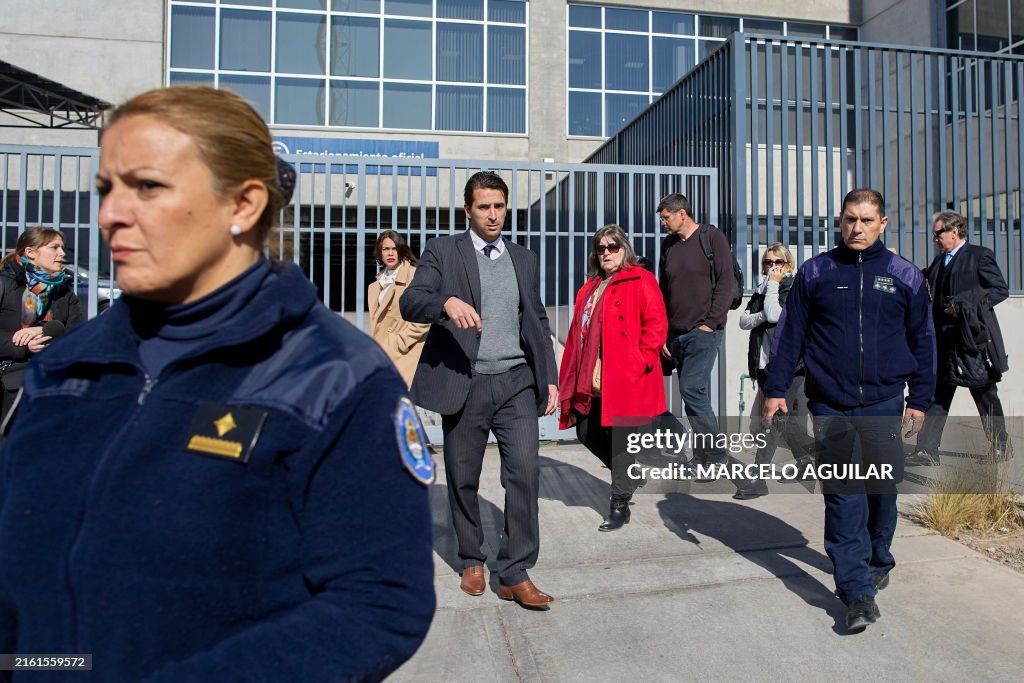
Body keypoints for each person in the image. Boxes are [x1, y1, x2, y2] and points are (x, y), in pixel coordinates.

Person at [0, 86, 434, 681]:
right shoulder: (66, 367)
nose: (110, 214)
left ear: (243, 204)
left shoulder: (335, 378)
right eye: (106, 189)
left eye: (147, 186)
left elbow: (380, 603)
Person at [764, 188, 935, 634]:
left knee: (881, 491)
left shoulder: (905, 275)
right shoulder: (817, 271)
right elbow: (790, 333)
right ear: (839, 222)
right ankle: (856, 591)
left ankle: (879, 558)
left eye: (866, 220)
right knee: (843, 494)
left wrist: (920, 399)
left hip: (883, 402)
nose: (857, 228)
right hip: (830, 402)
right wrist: (776, 387)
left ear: (883, 224)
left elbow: (924, 339)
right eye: (849, 220)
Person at [401, 171, 558, 610]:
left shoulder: (523, 259)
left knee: (525, 472)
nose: (493, 215)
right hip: (464, 382)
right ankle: (472, 557)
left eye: (499, 206)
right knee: (463, 477)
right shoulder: (443, 251)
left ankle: (515, 571)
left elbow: (537, 321)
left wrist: (548, 377)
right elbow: (411, 301)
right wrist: (444, 303)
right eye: (484, 206)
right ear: (468, 209)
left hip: (515, 383)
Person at [558, 225, 667, 531]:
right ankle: (628, 474)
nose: (606, 252)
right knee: (585, 431)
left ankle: (619, 504)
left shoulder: (641, 279)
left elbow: (656, 324)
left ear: (624, 250)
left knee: (620, 440)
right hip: (592, 373)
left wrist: (640, 360)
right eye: (601, 248)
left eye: (612, 247)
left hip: (625, 373)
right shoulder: (590, 287)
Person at [908, 210, 1010, 465]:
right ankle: (927, 450)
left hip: (970, 341)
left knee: (985, 395)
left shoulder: (979, 256)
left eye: (938, 233)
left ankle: (1000, 446)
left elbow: (999, 290)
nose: (935, 239)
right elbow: (924, 277)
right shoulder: (940, 260)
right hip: (942, 342)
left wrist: (962, 306)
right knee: (937, 395)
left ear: (954, 231)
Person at [657, 193, 735, 465]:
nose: (663, 223)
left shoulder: (712, 238)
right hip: (675, 334)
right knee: (692, 396)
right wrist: (664, 333)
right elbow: (663, 292)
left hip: (703, 331)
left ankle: (715, 456)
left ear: (682, 213)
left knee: (692, 389)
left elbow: (727, 284)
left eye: (665, 217)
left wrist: (710, 324)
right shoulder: (668, 245)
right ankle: (704, 454)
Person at [734, 243, 813, 500]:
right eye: (768, 263)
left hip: (789, 366)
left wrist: (772, 287)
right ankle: (805, 461)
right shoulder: (760, 290)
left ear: (787, 265)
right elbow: (744, 321)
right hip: (764, 365)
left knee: (772, 422)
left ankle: (758, 479)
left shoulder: (791, 288)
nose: (772, 267)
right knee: (784, 419)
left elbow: (776, 314)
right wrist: (762, 315)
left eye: (777, 262)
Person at [0, 227, 86, 425]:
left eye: (62, 248)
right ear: (31, 252)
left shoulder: (64, 292)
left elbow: (79, 336)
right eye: (54, 247)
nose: (62, 254)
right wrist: (22, 346)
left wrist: (46, 330)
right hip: (12, 383)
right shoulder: (5, 285)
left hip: (54, 380)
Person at [368, 230, 430, 388]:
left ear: (401, 250)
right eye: (385, 249)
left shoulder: (414, 276)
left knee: (400, 403)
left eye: (394, 248)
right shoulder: (377, 284)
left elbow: (426, 317)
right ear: (379, 253)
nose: (390, 253)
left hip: (405, 354)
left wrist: (400, 342)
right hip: (382, 354)